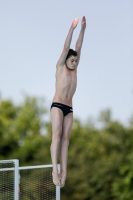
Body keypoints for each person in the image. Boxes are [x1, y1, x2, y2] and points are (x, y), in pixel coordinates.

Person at [50, 16, 86, 187]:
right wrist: (72, 28)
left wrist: (83, 29)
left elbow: (78, 47)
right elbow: (68, 47)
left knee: (66, 140)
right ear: (66, 60)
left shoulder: (74, 69)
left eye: (76, 61)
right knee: (56, 136)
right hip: (57, 106)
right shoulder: (61, 66)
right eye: (72, 60)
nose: (74, 63)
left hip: (69, 108)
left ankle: (64, 171)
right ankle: (54, 170)